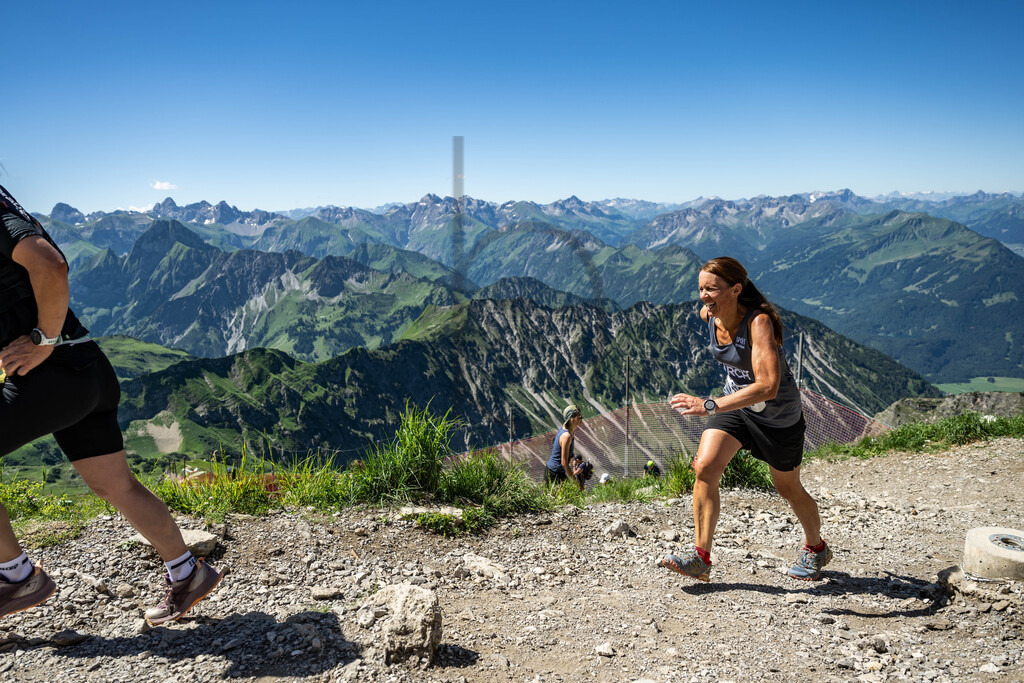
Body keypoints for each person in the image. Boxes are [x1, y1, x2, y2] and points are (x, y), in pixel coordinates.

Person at [0, 181, 222, 624]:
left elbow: (51, 265)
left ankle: (16, 575)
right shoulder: (10, 206)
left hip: (55, 375)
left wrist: (42, 340)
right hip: (87, 370)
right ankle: (188, 573)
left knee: (116, 486)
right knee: (115, 485)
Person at [660, 256, 830, 582]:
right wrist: (718, 406)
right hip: (736, 407)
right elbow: (710, 314)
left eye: (712, 289)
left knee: (788, 488)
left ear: (736, 289)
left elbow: (768, 386)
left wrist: (709, 405)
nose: (704, 296)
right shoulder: (709, 316)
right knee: (705, 467)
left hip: (778, 418)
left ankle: (816, 547)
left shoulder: (758, 323)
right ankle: (700, 558)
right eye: (701, 289)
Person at [545, 404, 584, 486]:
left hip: (556, 471)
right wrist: (576, 482)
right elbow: (564, 463)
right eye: (579, 416)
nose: (581, 418)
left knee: (571, 493)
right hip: (554, 473)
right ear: (572, 419)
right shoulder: (566, 436)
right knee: (573, 492)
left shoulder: (568, 430)